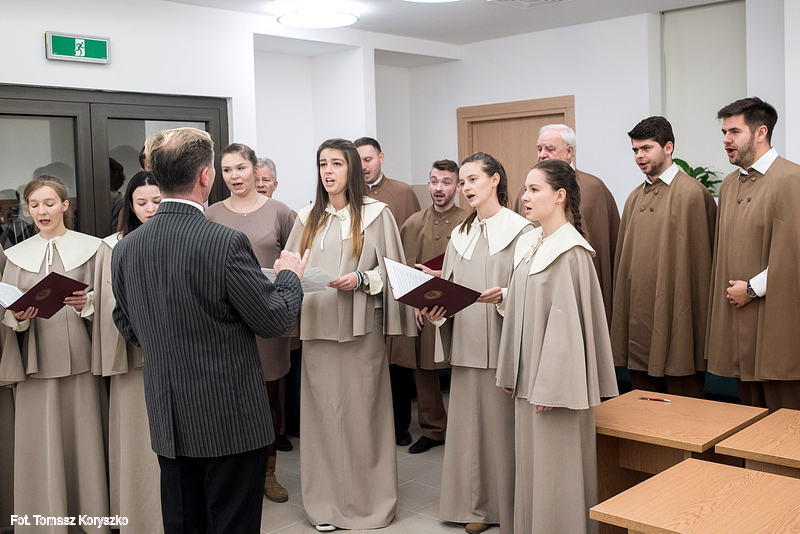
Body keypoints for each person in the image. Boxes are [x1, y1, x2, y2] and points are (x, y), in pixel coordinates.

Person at [111, 127, 307, 534]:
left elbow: (127, 324)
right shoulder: (224, 242)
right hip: (229, 418)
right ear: (205, 176)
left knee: (184, 524)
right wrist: (289, 277)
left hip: (169, 416)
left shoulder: (126, 247)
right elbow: (272, 320)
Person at [285, 138, 416, 532]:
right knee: (323, 418)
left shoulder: (378, 215)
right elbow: (288, 268)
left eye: (336, 163)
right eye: (323, 164)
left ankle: (369, 504)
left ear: (352, 169)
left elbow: (392, 272)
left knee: (363, 417)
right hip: (319, 328)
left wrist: (361, 278)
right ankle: (324, 506)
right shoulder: (306, 217)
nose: (328, 171)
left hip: (362, 330)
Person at [497, 159, 618, 534]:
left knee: (555, 470)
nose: (524, 196)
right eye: (525, 188)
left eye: (535, 189)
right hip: (529, 378)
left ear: (560, 195)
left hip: (555, 389)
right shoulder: (532, 244)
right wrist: (512, 369)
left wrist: (551, 386)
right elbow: (521, 309)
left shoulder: (570, 250)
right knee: (532, 466)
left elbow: (567, 326)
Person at [424, 152, 532, 534]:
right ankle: (474, 506)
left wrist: (505, 296)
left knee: (501, 430)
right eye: (463, 181)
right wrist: (437, 313)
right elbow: (449, 290)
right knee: (468, 431)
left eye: (473, 179)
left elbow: (532, 290)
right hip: (467, 343)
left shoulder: (522, 231)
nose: (466, 187)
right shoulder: (460, 235)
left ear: (495, 180)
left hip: (504, 344)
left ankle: (508, 507)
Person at [0, 175, 109, 533]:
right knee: (39, 444)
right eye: (34, 205)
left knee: (84, 441)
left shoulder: (94, 249)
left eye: (49, 203)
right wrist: (17, 316)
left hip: (81, 358)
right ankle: (41, 522)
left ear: (65, 205)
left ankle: (90, 519)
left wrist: (87, 303)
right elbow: (7, 309)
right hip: (35, 361)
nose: (41, 211)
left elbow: (109, 303)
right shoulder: (14, 256)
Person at [205, 143, 296, 502]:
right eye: (227, 170)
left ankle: (268, 473)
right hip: (225, 321)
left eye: (240, 168)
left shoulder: (280, 212)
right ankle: (236, 476)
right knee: (230, 399)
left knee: (270, 396)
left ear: (256, 170)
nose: (234, 176)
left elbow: (294, 261)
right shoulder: (211, 214)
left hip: (267, 319)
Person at [706, 97, 800, 411]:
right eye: (724, 132)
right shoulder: (729, 185)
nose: (726, 140)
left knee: (784, 419)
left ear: (761, 133)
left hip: (777, 319)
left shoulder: (791, 179)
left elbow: (794, 256)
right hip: (738, 321)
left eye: (734, 132)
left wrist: (750, 289)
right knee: (748, 418)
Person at [611, 116, 715, 398]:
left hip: (679, 318)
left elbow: (702, 268)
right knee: (642, 405)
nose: (639, 156)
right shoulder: (633, 198)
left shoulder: (693, 194)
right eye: (635, 150)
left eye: (646, 148)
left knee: (685, 406)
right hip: (639, 320)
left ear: (668, 147)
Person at [93, 171, 163, 533]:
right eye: (141, 202)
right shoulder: (111, 246)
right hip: (132, 355)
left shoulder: (176, 239)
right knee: (136, 436)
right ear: (130, 206)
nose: (150, 209)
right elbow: (108, 302)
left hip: (172, 355)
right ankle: (137, 515)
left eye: (157, 201)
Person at [389, 159, 467, 454]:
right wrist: (412, 303)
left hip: (461, 308)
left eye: (446, 182)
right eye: (434, 181)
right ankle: (433, 429)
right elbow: (402, 269)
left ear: (457, 187)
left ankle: (464, 430)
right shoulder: (413, 223)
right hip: (423, 309)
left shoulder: (469, 223)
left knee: (463, 368)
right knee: (424, 369)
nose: (438, 188)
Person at [514, 124, 620, 325]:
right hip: (535, 291)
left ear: (569, 151)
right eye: (539, 149)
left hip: (578, 285)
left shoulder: (594, 188)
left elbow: (609, 246)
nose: (542, 154)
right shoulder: (525, 190)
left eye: (549, 148)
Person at [354, 136, 422, 446]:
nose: (363, 166)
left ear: (381, 158)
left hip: (398, 283)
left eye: (368, 159)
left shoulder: (402, 192)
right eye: (358, 161)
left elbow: (413, 241)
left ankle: (399, 424)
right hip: (362, 286)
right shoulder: (349, 195)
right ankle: (369, 424)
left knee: (398, 360)